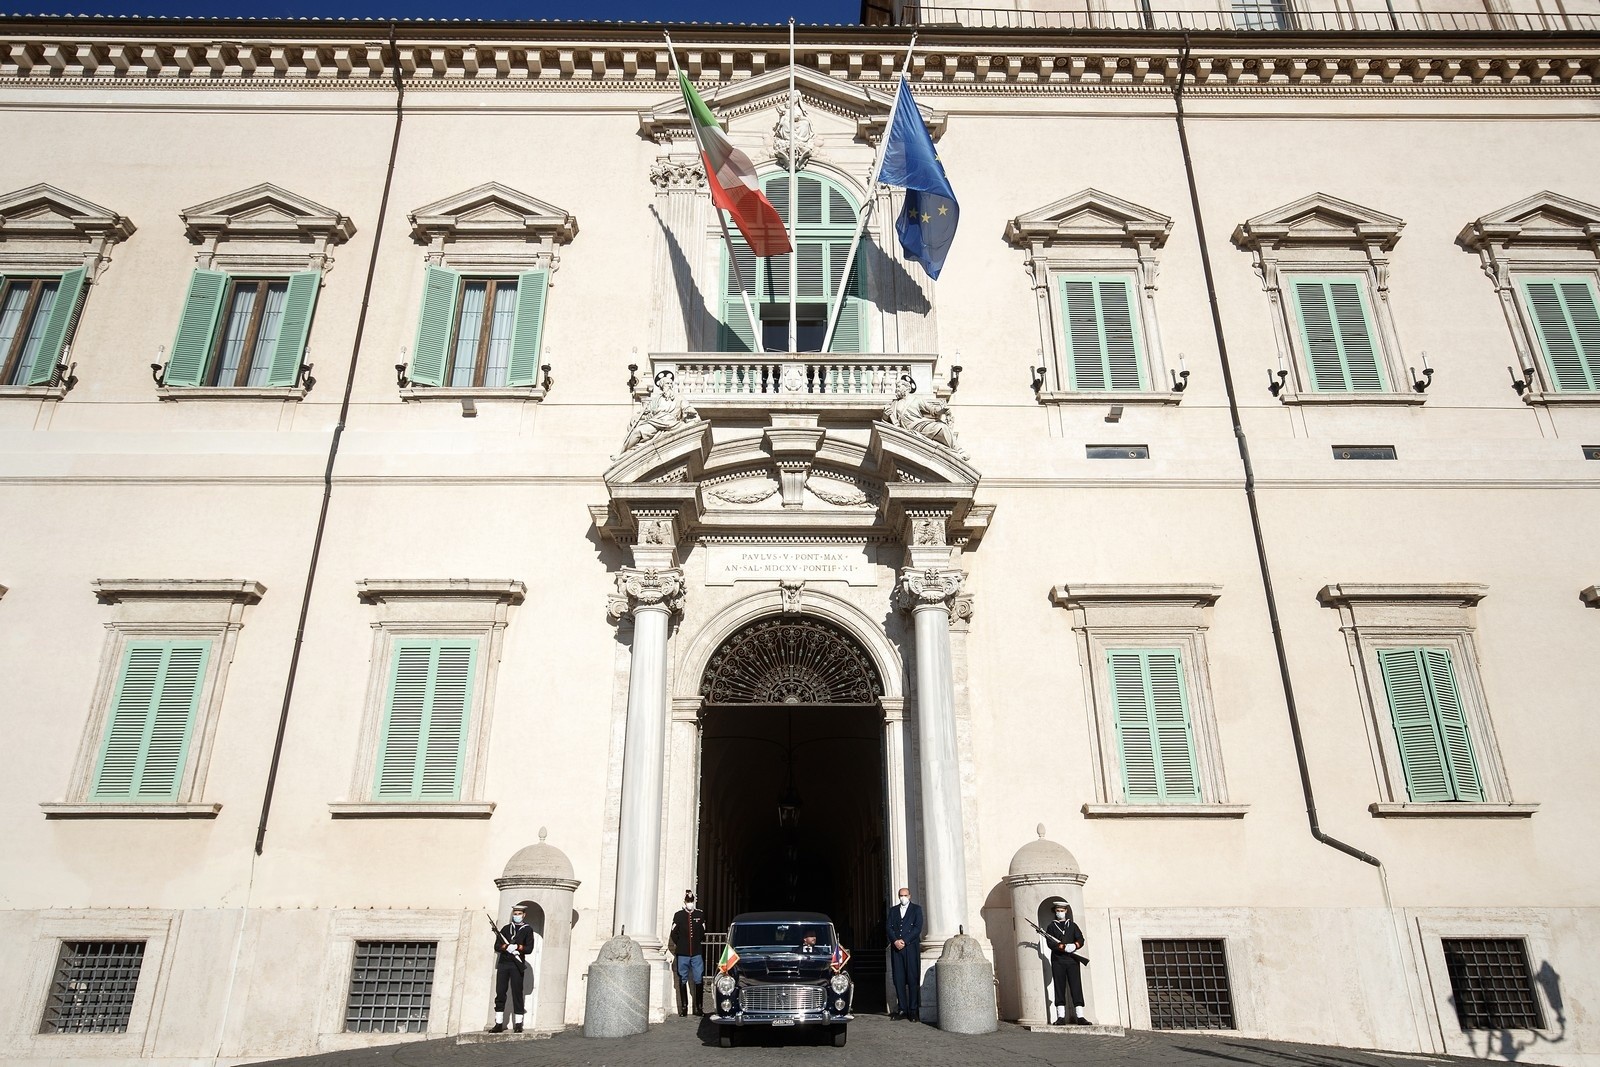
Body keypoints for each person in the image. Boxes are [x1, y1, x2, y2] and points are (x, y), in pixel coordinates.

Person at [880, 374, 968, 459]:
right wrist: (885, 417)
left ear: (907, 388)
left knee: (942, 427)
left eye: (899, 387)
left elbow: (932, 410)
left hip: (920, 426)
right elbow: (888, 424)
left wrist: (943, 409)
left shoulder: (916, 400)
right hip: (907, 429)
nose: (896, 389)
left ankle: (958, 450)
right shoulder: (894, 404)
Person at [620, 369, 700, 453]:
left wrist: (691, 412)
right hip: (656, 422)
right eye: (667, 383)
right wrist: (636, 417)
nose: (669, 385)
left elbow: (687, 408)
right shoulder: (656, 400)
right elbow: (646, 414)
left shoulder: (679, 398)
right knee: (637, 431)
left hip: (671, 423)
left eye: (670, 384)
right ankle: (622, 453)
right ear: (662, 386)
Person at [1040, 902, 1090, 1025]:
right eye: (1058, 910)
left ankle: (1080, 1016)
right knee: (1059, 987)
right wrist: (1062, 947)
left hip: (1072, 960)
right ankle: (1060, 1016)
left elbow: (1081, 939)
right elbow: (1050, 943)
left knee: (1076, 986)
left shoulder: (1072, 925)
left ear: (1066, 911)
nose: (1060, 913)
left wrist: (1074, 945)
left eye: (1062, 910)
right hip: (1058, 960)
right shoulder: (1051, 927)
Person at [489, 904, 535, 1033]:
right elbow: (497, 946)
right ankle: (498, 1023)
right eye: (515, 913)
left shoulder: (527, 930)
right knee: (500, 992)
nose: (517, 916)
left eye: (519, 914)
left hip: (516, 965)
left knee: (517, 993)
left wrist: (517, 947)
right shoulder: (506, 929)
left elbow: (529, 949)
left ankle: (518, 1024)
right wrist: (505, 947)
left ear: (524, 915)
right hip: (504, 964)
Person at [885, 887, 924, 1021]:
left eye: (905, 895)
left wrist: (904, 941)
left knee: (912, 978)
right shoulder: (893, 910)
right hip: (897, 949)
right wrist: (895, 940)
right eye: (901, 895)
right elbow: (889, 927)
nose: (903, 897)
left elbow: (917, 928)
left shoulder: (916, 909)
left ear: (910, 895)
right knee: (899, 979)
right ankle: (902, 1008)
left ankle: (913, 1010)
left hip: (911, 948)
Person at [668, 889, 707, 1017]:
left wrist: (695, 942)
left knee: (698, 978)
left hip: (696, 952)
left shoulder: (699, 915)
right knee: (683, 978)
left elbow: (702, 932)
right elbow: (674, 933)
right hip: (683, 952)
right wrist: (681, 944)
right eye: (688, 901)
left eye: (691, 901)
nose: (689, 903)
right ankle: (684, 1007)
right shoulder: (678, 915)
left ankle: (699, 1007)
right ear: (684, 901)